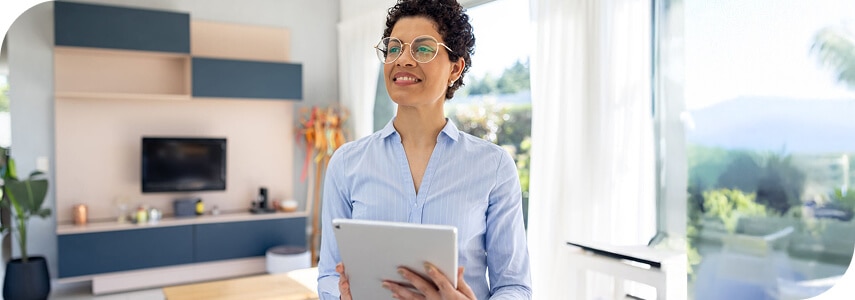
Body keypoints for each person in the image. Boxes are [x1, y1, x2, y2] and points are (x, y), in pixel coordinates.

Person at [316, 0, 532, 299]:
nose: (402, 59)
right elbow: (328, 272)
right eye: (394, 48)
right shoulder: (346, 163)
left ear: (455, 69)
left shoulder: (493, 166)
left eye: (423, 48)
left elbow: (514, 286)